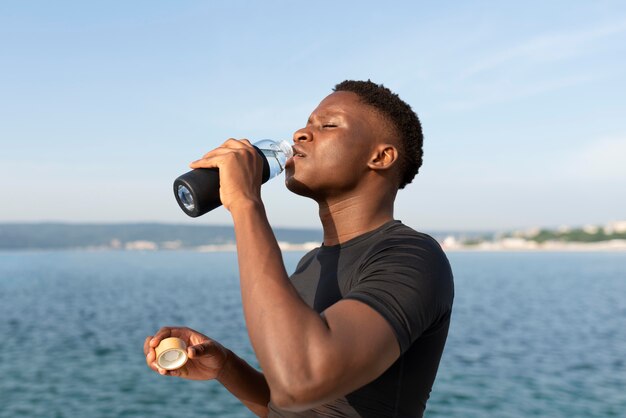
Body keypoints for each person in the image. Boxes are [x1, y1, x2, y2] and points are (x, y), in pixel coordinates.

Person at [144, 80, 454, 417]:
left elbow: (301, 382)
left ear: (380, 156)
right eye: (306, 124)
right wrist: (226, 367)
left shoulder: (413, 257)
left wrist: (246, 202)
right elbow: (290, 403)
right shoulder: (311, 264)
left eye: (328, 125)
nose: (300, 134)